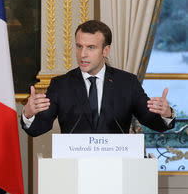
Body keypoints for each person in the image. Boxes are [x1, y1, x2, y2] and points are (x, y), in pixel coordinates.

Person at [21, 20, 175, 135]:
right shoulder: (61, 85)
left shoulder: (127, 83)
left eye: (91, 48)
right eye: (79, 46)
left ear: (105, 50)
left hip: (117, 167)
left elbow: (152, 121)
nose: (83, 54)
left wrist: (166, 113)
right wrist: (28, 114)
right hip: (73, 168)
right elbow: (38, 128)